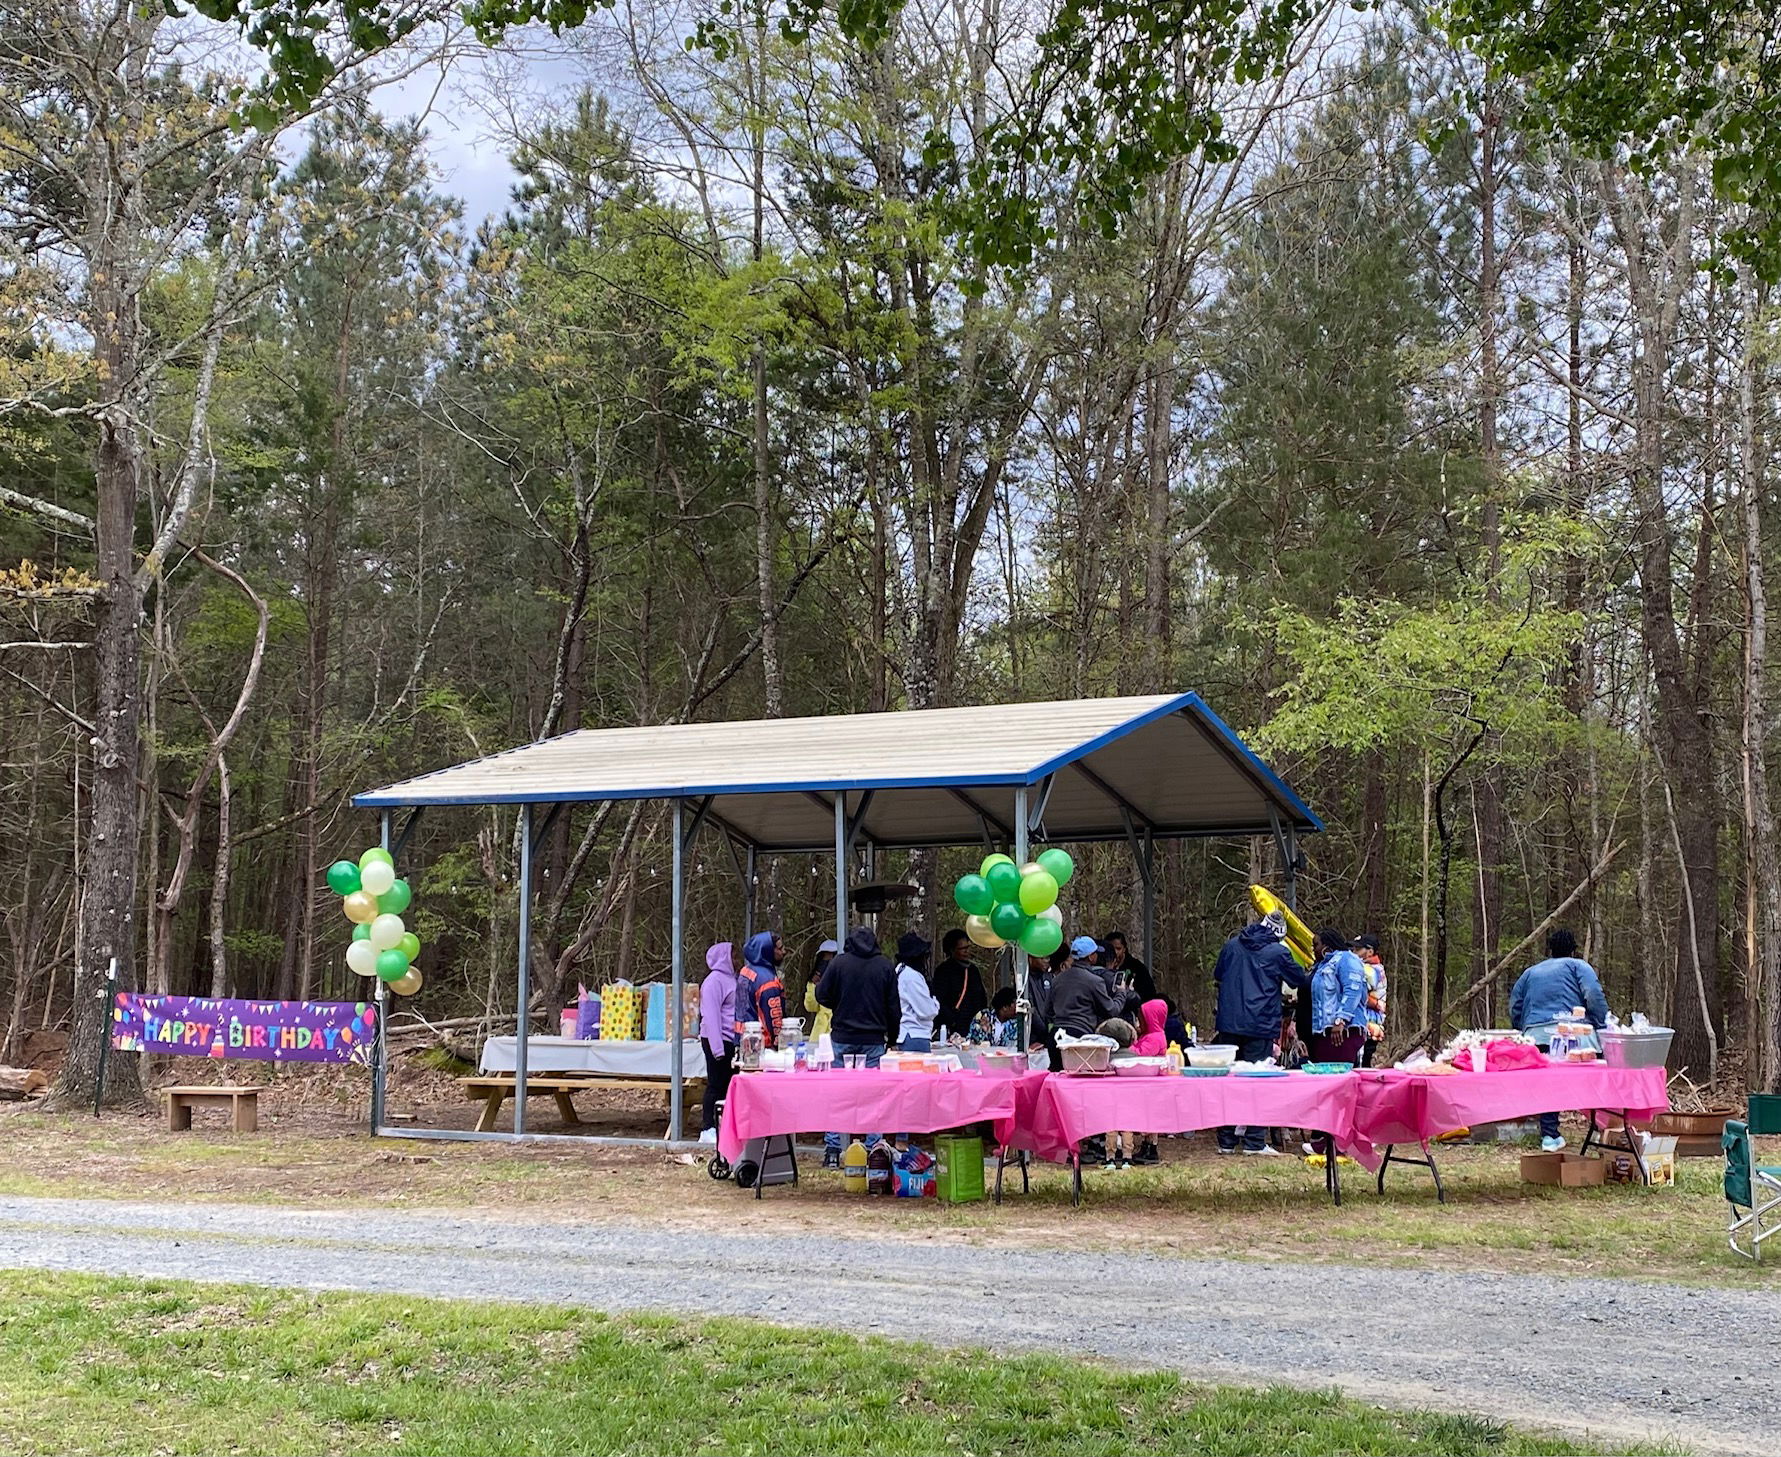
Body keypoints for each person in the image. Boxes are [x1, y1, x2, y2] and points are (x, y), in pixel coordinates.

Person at [1212, 910, 1310, 1154]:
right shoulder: (1278, 951)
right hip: (1260, 1024)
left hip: (1229, 1023)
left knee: (1228, 1081)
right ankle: (1254, 1141)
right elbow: (1299, 978)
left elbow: (1218, 975)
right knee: (1257, 1082)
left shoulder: (1232, 945)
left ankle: (1226, 1140)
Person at [1510, 928, 1609, 1152]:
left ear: (1550, 950)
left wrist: (1523, 1031)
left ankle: (1550, 1135)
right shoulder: (1578, 966)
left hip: (1537, 1035)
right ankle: (1603, 1128)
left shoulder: (1530, 972)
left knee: (1548, 1083)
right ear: (1573, 950)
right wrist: (1602, 1025)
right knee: (1597, 1076)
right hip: (1576, 1035)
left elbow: (1515, 1003)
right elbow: (1592, 994)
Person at [814, 925, 901, 1165]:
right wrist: (892, 1038)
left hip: (842, 1036)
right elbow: (894, 1007)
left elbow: (821, 995)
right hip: (873, 1040)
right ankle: (875, 1149)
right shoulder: (884, 966)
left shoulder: (839, 964)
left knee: (838, 1094)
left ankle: (833, 1149)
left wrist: (839, 1004)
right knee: (873, 1096)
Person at [1304, 926, 1369, 1158]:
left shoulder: (1347, 960)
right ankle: (1325, 1139)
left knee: (1340, 1089)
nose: (1314, 949)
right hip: (1322, 1033)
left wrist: (1340, 1021)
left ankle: (1344, 1142)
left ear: (1328, 946)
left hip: (1343, 1032)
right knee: (1326, 1089)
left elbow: (1352, 991)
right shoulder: (1321, 965)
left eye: (1317, 945)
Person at [697, 942, 738, 1146]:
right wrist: (717, 1049)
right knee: (715, 1084)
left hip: (730, 1038)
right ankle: (707, 1127)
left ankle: (723, 1126)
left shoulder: (732, 979)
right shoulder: (713, 982)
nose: (737, 960)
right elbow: (711, 1016)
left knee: (727, 1086)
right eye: (734, 956)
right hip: (717, 1038)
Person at [1048, 935, 1127, 1038]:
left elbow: (1048, 1012)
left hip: (1056, 1036)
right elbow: (1111, 1011)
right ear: (1091, 957)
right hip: (1081, 1038)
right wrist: (1121, 992)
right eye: (1095, 953)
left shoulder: (1056, 980)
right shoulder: (1095, 981)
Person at [1127, 997, 1170, 1167]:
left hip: (1150, 1086)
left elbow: (1139, 1055)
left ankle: (1150, 1149)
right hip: (1148, 1084)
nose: (1139, 1022)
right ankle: (1147, 1147)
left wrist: (1128, 1046)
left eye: (1141, 1018)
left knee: (1149, 1121)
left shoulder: (1153, 1038)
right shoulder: (1152, 1035)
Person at [1096, 1016, 1138, 1170]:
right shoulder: (1135, 1058)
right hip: (1129, 1099)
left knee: (1110, 1128)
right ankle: (1127, 1157)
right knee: (1128, 1127)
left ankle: (1110, 1158)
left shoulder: (1102, 1059)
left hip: (1109, 1100)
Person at [931, 929, 988, 1041]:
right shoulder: (943, 971)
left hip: (973, 1027)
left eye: (968, 948)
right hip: (951, 1028)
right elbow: (938, 1001)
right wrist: (952, 1020)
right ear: (952, 950)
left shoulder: (973, 971)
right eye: (962, 949)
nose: (967, 951)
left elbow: (981, 998)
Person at [737, 930, 786, 1049]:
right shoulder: (768, 982)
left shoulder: (746, 971)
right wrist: (779, 1044)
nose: (783, 952)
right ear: (767, 951)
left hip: (743, 1038)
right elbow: (774, 1020)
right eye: (779, 948)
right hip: (763, 1045)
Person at [895, 932, 940, 1052]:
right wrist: (935, 1002)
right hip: (915, 1035)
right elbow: (927, 1011)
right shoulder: (911, 976)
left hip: (905, 1034)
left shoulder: (900, 970)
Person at [1353, 934, 1387, 1067]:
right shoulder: (1367, 968)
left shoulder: (1373, 971)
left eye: (1358, 949)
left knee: (1361, 1066)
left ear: (1370, 952)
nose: (1354, 953)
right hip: (1366, 1024)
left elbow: (1357, 991)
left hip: (1369, 1025)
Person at [1103, 931, 1157, 1004]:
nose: (1115, 952)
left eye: (1118, 948)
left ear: (1124, 949)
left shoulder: (1137, 967)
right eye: (1112, 948)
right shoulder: (1101, 966)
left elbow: (1149, 994)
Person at [803, 938, 840, 1043]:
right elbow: (810, 1007)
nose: (827, 963)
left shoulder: (843, 979)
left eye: (831, 957)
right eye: (824, 959)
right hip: (819, 1036)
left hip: (837, 1036)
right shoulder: (817, 981)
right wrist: (813, 986)